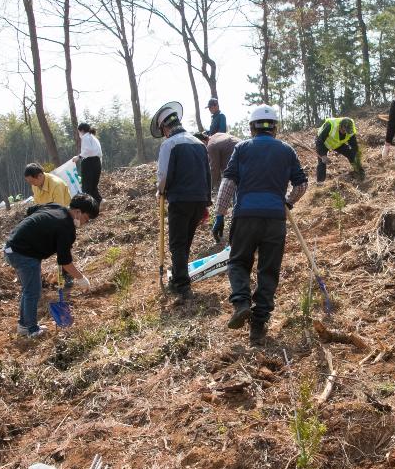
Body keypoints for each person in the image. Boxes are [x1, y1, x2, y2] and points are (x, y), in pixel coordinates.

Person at [211, 105, 307, 345]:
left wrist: (220, 215)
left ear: (252, 127)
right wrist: (287, 201)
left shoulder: (242, 148)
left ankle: (242, 303)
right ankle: (258, 324)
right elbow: (302, 185)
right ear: (275, 127)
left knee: (238, 262)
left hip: (246, 217)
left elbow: (228, 183)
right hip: (275, 218)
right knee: (268, 270)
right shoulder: (287, 150)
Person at [3, 194, 98, 338]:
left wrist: (39, 233)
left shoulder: (56, 206)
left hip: (11, 247)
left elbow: (31, 211)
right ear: (78, 212)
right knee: (33, 291)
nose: (85, 222)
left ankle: (24, 325)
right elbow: (65, 262)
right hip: (22, 253)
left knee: (29, 289)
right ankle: (31, 330)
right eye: (86, 218)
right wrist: (81, 278)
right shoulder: (66, 228)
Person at [154, 102, 211, 301]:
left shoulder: (169, 144)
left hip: (180, 200)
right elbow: (207, 173)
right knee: (185, 241)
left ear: (165, 128)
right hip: (199, 199)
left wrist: (160, 191)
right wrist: (206, 203)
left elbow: (163, 175)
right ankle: (179, 275)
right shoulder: (198, 143)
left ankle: (181, 285)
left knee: (178, 243)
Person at [314, 117, 363, 183]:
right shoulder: (330, 126)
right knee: (322, 162)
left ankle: (359, 173)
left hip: (337, 143)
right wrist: (323, 155)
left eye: (347, 131)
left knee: (351, 154)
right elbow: (319, 141)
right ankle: (320, 183)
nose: (345, 132)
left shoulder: (351, 130)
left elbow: (354, 145)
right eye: (344, 130)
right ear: (340, 126)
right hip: (323, 143)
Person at [75, 123, 104, 204]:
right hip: (97, 162)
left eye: (79, 132)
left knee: (86, 186)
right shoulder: (93, 138)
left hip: (89, 162)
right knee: (93, 185)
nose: (79, 134)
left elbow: (88, 150)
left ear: (82, 130)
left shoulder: (85, 137)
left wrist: (78, 157)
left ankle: (88, 206)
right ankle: (99, 201)